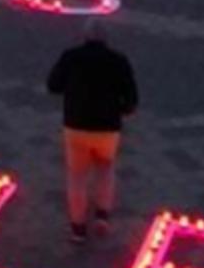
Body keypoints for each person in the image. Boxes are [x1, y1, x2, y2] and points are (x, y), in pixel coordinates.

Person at [46, 26, 138, 243]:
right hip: (107, 128)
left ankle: (78, 229)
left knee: (77, 176)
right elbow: (132, 98)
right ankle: (102, 216)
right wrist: (122, 111)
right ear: (106, 40)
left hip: (76, 126)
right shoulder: (119, 61)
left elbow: (53, 85)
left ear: (84, 37)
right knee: (105, 169)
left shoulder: (71, 57)